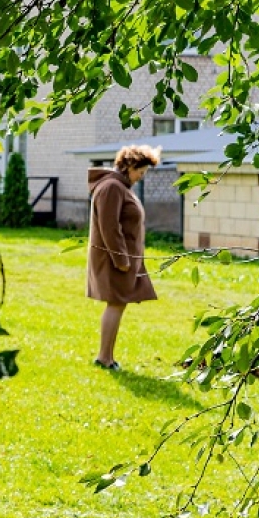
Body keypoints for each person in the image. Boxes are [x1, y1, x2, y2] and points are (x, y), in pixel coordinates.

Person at [86, 144, 160, 371]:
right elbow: (109, 228)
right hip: (115, 261)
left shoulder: (120, 186)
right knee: (116, 304)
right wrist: (122, 261)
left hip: (124, 260)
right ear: (129, 165)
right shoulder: (111, 188)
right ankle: (103, 357)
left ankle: (107, 356)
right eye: (141, 171)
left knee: (118, 305)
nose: (141, 177)